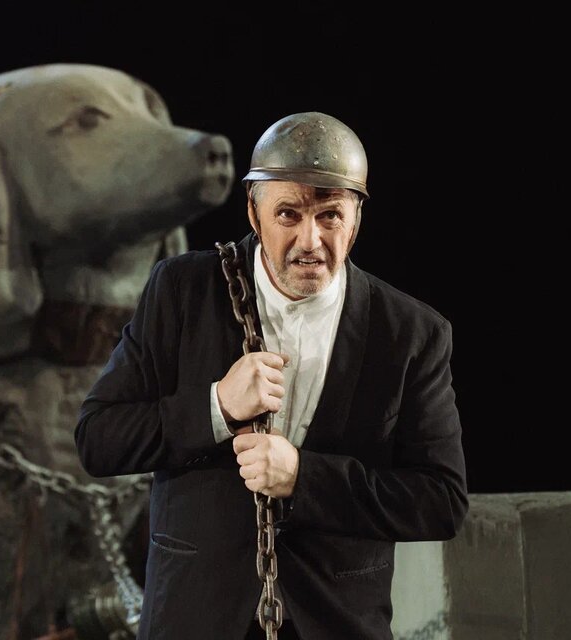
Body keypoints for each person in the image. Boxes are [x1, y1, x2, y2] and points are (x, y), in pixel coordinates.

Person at [74, 112, 468, 640]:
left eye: (330, 215)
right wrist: (217, 406)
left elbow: (440, 502)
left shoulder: (411, 333)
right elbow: (98, 439)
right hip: (195, 618)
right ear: (254, 213)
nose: (310, 240)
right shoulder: (182, 291)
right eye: (288, 214)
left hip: (335, 623)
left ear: (356, 218)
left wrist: (304, 477)